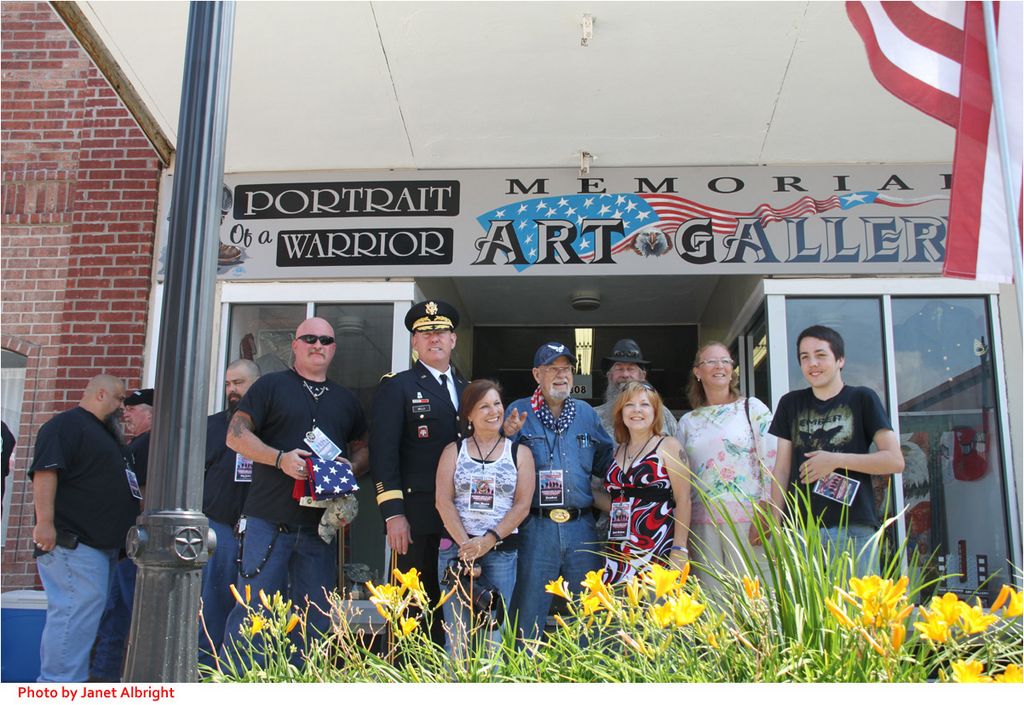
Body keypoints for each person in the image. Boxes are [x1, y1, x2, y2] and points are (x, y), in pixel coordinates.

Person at [220, 317, 368, 662]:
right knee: (254, 616)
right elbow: (235, 436)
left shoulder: (345, 399)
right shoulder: (270, 386)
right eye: (311, 339)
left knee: (315, 619)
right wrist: (279, 459)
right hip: (267, 523)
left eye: (327, 341)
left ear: (334, 349)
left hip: (319, 529)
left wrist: (353, 465)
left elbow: (364, 446)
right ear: (296, 345)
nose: (319, 345)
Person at [768, 325, 904, 577]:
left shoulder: (862, 398)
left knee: (854, 613)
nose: (812, 364)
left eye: (821, 355)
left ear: (840, 359)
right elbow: (782, 469)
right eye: (804, 357)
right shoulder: (790, 403)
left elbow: (894, 461)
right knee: (807, 615)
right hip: (800, 530)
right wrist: (775, 527)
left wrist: (835, 460)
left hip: (853, 527)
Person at [370, 299, 467, 645]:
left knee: (457, 606)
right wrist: (393, 514)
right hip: (416, 518)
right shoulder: (398, 387)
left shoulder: (470, 389)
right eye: (424, 333)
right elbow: (384, 455)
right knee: (413, 607)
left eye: (440, 331)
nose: (434, 338)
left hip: (462, 519)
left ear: (453, 339)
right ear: (414, 342)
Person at [29, 374, 138, 683]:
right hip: (72, 544)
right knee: (73, 617)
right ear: (101, 394)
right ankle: (56, 687)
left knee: (83, 619)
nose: (122, 407)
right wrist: (45, 523)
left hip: (101, 549)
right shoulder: (66, 426)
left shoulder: (110, 438)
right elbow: (45, 472)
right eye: (119, 399)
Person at [503, 342, 613, 640]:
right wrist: (505, 436)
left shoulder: (586, 415)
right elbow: (496, 463)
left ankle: (591, 679)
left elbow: (609, 463)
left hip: (581, 528)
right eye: (553, 368)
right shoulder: (518, 411)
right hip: (534, 528)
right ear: (537, 374)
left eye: (566, 368)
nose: (561, 375)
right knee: (528, 611)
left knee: (589, 611)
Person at [434, 379, 535, 654]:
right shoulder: (453, 451)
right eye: (484, 406)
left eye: (497, 404)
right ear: (468, 414)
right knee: (457, 639)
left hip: (501, 552)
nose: (493, 411)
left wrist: (487, 541)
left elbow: (522, 505)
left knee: (495, 639)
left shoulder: (520, 453)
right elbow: (443, 501)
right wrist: (468, 547)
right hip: (456, 553)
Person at [674, 343, 777, 598]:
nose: (719, 366)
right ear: (698, 371)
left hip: (748, 519)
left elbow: (773, 460)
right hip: (702, 525)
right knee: (712, 601)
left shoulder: (752, 409)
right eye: (711, 361)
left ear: (732, 370)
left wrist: (768, 513)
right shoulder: (687, 422)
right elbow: (680, 479)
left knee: (754, 599)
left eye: (725, 361)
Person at [593, 381, 690, 584]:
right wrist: (579, 491)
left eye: (644, 404)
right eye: (629, 404)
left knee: (657, 610)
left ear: (655, 411)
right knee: (623, 612)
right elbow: (617, 501)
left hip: (658, 544)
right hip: (619, 547)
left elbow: (683, 500)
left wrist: (679, 548)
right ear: (621, 412)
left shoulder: (668, 446)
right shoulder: (618, 450)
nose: (637, 410)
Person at [198, 359, 260, 668]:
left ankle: (239, 672)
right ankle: (205, 669)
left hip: (261, 531)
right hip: (218, 528)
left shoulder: (270, 426)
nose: (232, 390)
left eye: (239, 383)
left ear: (256, 385)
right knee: (212, 603)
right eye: (228, 384)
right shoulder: (211, 426)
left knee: (252, 608)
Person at [89, 388, 154, 681]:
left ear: (153, 411)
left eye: (133, 407)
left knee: (123, 617)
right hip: (123, 546)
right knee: (113, 616)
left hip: (137, 547)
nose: (126, 413)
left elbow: (143, 494)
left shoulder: (149, 444)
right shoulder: (133, 444)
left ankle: (110, 681)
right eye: (124, 407)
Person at [593, 339, 676, 437]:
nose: (625, 374)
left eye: (631, 369)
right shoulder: (595, 416)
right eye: (619, 369)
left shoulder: (661, 413)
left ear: (642, 376)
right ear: (609, 376)